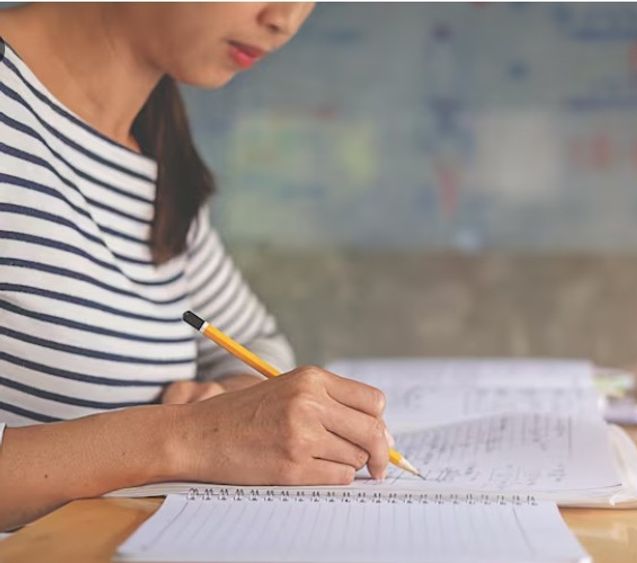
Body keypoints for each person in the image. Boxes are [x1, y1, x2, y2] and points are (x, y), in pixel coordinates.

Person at [0, 2, 394, 531]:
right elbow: (190, 433)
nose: (285, 20)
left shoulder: (150, 143)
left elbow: (256, 343)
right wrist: (187, 437)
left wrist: (231, 405)